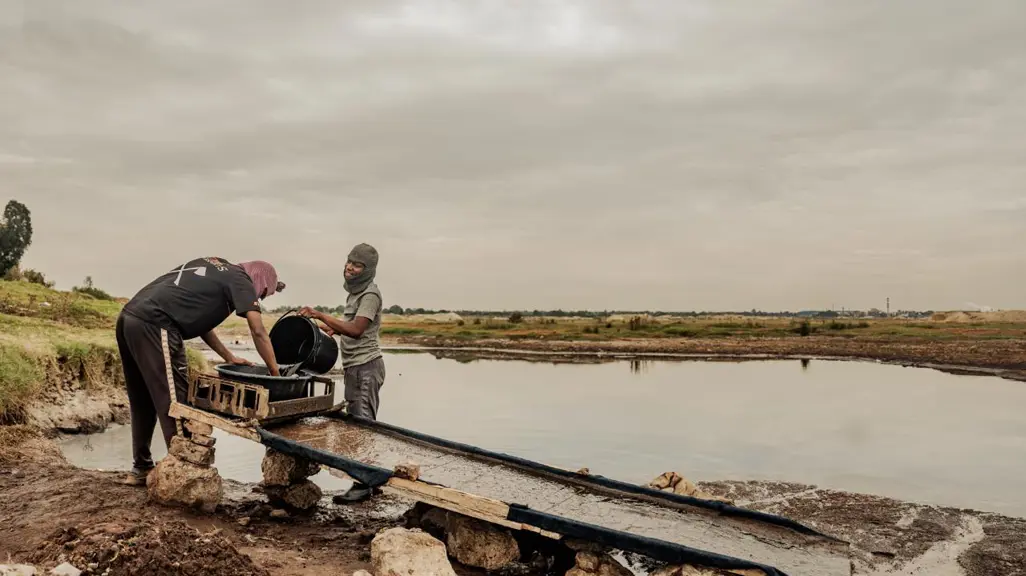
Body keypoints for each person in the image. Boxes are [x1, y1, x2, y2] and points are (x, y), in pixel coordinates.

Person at [116, 257, 284, 485]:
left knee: (143, 399)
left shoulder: (219, 268)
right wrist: (276, 375)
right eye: (263, 293)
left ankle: (141, 467)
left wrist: (229, 357)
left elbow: (202, 324)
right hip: (156, 323)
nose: (259, 298)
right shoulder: (242, 280)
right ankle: (182, 473)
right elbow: (258, 331)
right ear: (260, 279)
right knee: (175, 402)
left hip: (129, 318)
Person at [299, 243, 384, 502]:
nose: (350, 267)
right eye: (349, 261)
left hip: (366, 366)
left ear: (367, 270)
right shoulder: (354, 294)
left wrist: (320, 315)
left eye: (357, 265)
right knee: (356, 418)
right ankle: (367, 479)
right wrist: (335, 329)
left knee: (362, 422)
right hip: (355, 365)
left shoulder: (370, 295)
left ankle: (364, 483)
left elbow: (357, 329)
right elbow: (351, 326)